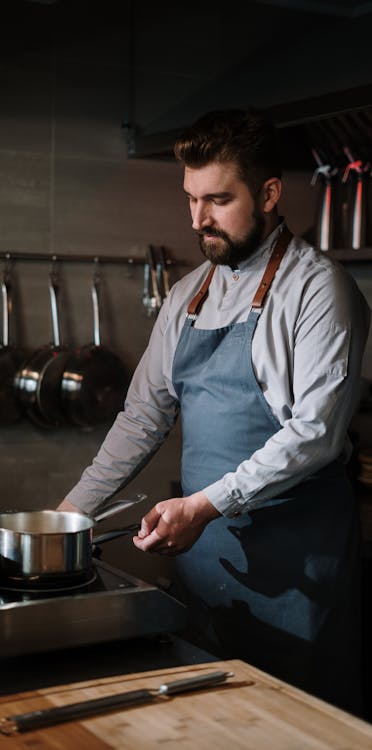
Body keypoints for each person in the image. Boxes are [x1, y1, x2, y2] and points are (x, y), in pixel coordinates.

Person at [58, 109, 370, 713]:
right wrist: (68, 516)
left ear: (271, 194)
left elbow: (317, 433)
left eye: (219, 199)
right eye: (191, 198)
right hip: (205, 557)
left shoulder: (319, 290)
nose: (198, 219)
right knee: (211, 714)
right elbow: (142, 416)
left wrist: (203, 506)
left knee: (299, 720)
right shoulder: (188, 294)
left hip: (296, 560)